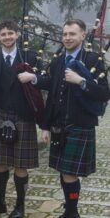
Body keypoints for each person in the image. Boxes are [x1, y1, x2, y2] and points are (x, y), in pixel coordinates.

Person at [19, 19, 110, 218]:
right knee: (63, 170)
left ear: (83, 35)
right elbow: (52, 92)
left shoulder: (93, 60)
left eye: (72, 34)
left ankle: (72, 212)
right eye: (65, 34)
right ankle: (70, 210)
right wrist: (46, 125)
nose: (67, 38)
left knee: (69, 173)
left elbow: (104, 93)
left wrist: (82, 81)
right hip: (59, 125)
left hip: (80, 125)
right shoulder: (58, 60)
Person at [0, 20, 41, 218]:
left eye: (11, 33)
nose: (7, 37)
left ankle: (20, 206)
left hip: (23, 116)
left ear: (17, 35)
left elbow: (39, 86)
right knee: (0, 162)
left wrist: (32, 76)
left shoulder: (31, 57)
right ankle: (0, 203)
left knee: (20, 164)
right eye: (3, 34)